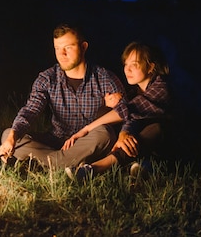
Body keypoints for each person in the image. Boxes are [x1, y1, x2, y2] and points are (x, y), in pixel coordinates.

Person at [0, 23, 126, 169]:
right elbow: (30, 110)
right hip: (55, 141)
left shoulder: (104, 78)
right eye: (57, 48)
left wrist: (122, 134)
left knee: (104, 134)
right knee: (8, 135)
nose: (62, 54)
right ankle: (68, 163)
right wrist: (12, 137)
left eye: (68, 47)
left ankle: (45, 163)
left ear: (83, 47)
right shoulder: (47, 78)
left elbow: (126, 114)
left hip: (87, 141)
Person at [64, 41, 172, 181]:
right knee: (106, 111)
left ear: (150, 67)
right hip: (144, 148)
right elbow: (130, 116)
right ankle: (137, 166)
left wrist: (86, 129)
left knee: (156, 128)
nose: (127, 70)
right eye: (126, 64)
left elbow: (131, 110)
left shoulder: (162, 88)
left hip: (169, 147)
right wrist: (116, 110)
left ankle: (94, 169)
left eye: (134, 64)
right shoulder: (134, 92)